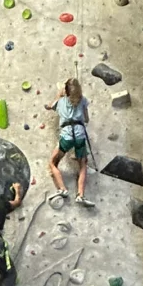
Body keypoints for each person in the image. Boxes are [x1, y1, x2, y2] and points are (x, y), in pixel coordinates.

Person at [46, 78, 93, 206]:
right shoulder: (83, 101)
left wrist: (59, 95)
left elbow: (49, 106)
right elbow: (87, 119)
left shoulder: (61, 101)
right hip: (79, 135)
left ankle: (62, 189)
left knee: (53, 162)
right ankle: (80, 195)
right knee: (82, 165)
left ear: (66, 91)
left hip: (66, 136)